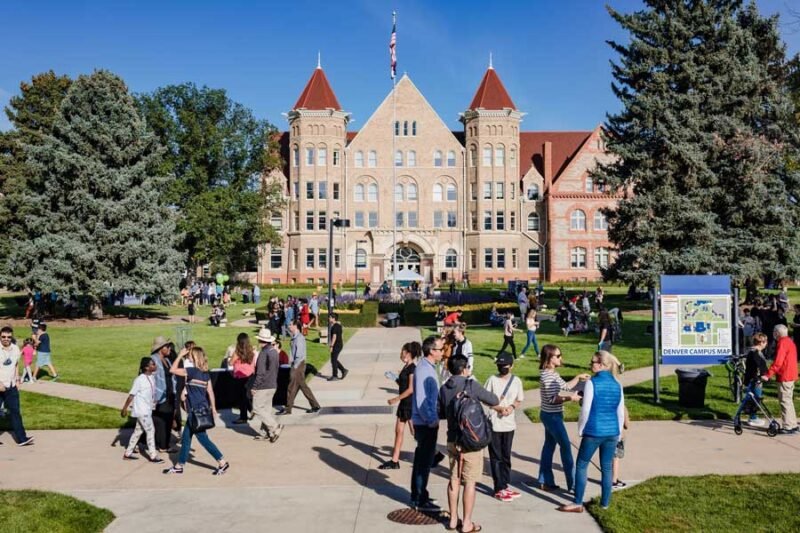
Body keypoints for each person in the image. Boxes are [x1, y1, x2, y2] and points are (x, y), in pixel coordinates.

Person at [439, 355, 499, 532]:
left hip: (452, 440)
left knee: (454, 480)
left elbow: (440, 412)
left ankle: (452, 520)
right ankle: (466, 523)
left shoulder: (444, 388)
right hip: (471, 441)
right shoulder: (471, 385)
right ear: (465, 369)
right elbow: (494, 400)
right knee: (470, 482)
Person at [559, 350, 625, 513]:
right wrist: (619, 434)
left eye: (593, 362)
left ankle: (577, 502)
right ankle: (605, 503)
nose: (590, 364)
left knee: (582, 464)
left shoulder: (592, 383)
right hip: (612, 431)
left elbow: (586, 410)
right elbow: (620, 412)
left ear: (602, 365)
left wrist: (580, 429)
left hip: (594, 431)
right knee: (607, 468)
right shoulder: (617, 383)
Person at [164, 346, 229, 475]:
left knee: (203, 439)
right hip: (202, 408)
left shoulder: (192, 371)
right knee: (186, 439)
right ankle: (179, 465)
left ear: (195, 357)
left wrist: (179, 355)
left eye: (190, 355)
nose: (188, 357)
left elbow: (172, 369)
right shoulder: (205, 373)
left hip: (195, 411)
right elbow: (210, 391)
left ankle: (222, 461)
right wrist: (214, 408)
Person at [536, 344, 587, 491]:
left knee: (549, 446)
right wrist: (570, 399)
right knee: (565, 447)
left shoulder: (553, 374)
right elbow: (553, 399)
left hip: (551, 415)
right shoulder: (548, 376)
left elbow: (565, 386)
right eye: (558, 356)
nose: (561, 358)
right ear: (549, 358)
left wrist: (578, 377)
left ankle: (545, 480)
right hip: (552, 417)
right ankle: (573, 485)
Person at [410, 335, 445, 512]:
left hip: (424, 422)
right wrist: (431, 421)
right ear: (432, 351)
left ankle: (419, 494)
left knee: (422, 461)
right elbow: (423, 399)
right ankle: (419, 499)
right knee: (423, 462)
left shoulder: (427, 367)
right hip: (425, 424)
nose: (442, 352)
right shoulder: (424, 370)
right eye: (440, 349)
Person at [484, 352, 524, 502]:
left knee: (506, 456)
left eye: (505, 366)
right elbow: (486, 399)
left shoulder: (516, 381)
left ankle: (505, 485)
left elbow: (519, 399)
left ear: (511, 366)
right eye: (500, 366)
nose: (503, 368)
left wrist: (512, 407)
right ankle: (498, 488)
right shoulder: (492, 380)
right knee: (496, 457)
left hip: (509, 424)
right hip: (494, 423)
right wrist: (499, 408)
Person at [378, 341, 419, 470]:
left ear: (408, 353)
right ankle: (394, 461)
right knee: (398, 432)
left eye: (402, 351)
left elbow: (411, 389)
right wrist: (395, 378)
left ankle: (433, 454)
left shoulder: (412, 368)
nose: (400, 354)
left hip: (409, 403)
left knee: (416, 432)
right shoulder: (406, 367)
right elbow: (403, 385)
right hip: (404, 403)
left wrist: (396, 399)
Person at [121, 357, 164, 463]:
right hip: (142, 411)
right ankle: (153, 455)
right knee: (150, 430)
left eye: (154, 364)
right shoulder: (139, 380)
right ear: (146, 367)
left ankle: (128, 453)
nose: (154, 366)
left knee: (138, 431)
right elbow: (131, 395)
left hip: (147, 410)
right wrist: (124, 408)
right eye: (152, 364)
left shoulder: (152, 377)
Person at [761, 324, 798, 434]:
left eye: (774, 331)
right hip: (791, 374)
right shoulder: (790, 341)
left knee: (784, 401)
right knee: (788, 400)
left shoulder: (782, 343)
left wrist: (768, 374)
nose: (773, 333)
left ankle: (787, 426)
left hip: (785, 375)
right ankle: (792, 424)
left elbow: (778, 362)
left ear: (777, 333)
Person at [0, 326, 34, 446]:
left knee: (15, 411)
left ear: (11, 337)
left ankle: (22, 439)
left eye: (8, 337)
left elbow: (15, 365)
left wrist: (18, 379)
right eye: (3, 336)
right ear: (0, 336)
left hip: (11, 385)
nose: (6, 339)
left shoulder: (15, 349)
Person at [249, 329, 283, 442]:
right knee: (266, 410)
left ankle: (274, 426)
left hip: (263, 385)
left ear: (260, 340)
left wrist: (254, 387)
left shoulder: (263, 353)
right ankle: (266, 433)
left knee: (257, 408)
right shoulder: (274, 351)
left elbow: (260, 372)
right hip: (273, 384)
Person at [280, 320, 321, 415]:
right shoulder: (294, 338)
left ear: (295, 326)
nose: (289, 326)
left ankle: (288, 408)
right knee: (302, 387)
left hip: (298, 365)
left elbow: (299, 355)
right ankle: (315, 406)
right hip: (297, 365)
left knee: (291, 387)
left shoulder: (299, 338)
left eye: (290, 325)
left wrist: (294, 366)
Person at [150, 336, 177, 452]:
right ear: (161, 348)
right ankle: (162, 445)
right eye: (167, 346)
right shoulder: (153, 360)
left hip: (170, 394)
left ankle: (164, 444)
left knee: (169, 418)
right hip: (159, 395)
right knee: (161, 419)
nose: (169, 348)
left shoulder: (167, 361)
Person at [230, 333, 257, 424]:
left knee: (242, 398)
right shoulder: (251, 351)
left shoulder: (237, 353)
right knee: (246, 396)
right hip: (250, 375)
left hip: (240, 377)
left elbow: (231, 362)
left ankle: (244, 416)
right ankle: (251, 410)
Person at [744, 333, 769, 426]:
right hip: (755, 379)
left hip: (753, 378)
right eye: (765, 342)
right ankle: (753, 418)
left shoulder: (754, 351)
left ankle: (752, 417)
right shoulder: (755, 353)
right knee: (755, 399)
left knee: (753, 398)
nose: (766, 344)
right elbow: (759, 366)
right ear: (761, 342)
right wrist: (763, 375)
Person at [327, 313, 348, 381]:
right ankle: (343, 370)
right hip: (339, 344)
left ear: (333, 318)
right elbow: (342, 335)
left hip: (336, 345)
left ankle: (335, 376)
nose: (329, 319)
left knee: (333, 360)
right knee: (334, 360)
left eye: (330, 317)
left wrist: (331, 346)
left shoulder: (335, 327)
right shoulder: (339, 325)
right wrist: (342, 342)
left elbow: (334, 337)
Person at [273, 340, 291, 409]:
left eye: (273, 344)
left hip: (282, 373)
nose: (272, 346)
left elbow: (285, 365)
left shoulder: (283, 354)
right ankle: (276, 401)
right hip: (274, 373)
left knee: (282, 389)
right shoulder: (273, 353)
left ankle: (285, 402)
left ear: (278, 345)